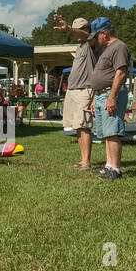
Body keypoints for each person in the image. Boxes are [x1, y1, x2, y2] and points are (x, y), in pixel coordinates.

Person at [86, 17, 131, 180]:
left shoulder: (119, 47)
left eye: (97, 36)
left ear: (104, 33)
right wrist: (94, 99)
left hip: (109, 94)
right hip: (101, 95)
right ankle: (109, 166)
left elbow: (121, 72)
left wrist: (111, 97)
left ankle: (116, 169)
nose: (97, 40)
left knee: (112, 131)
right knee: (106, 133)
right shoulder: (108, 49)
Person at [53, 14, 98, 170]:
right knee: (77, 126)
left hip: (84, 89)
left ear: (86, 30)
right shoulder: (79, 47)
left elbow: (88, 37)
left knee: (84, 125)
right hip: (73, 90)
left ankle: (86, 161)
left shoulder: (92, 43)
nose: (76, 34)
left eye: (79, 30)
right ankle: (83, 159)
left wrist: (69, 29)